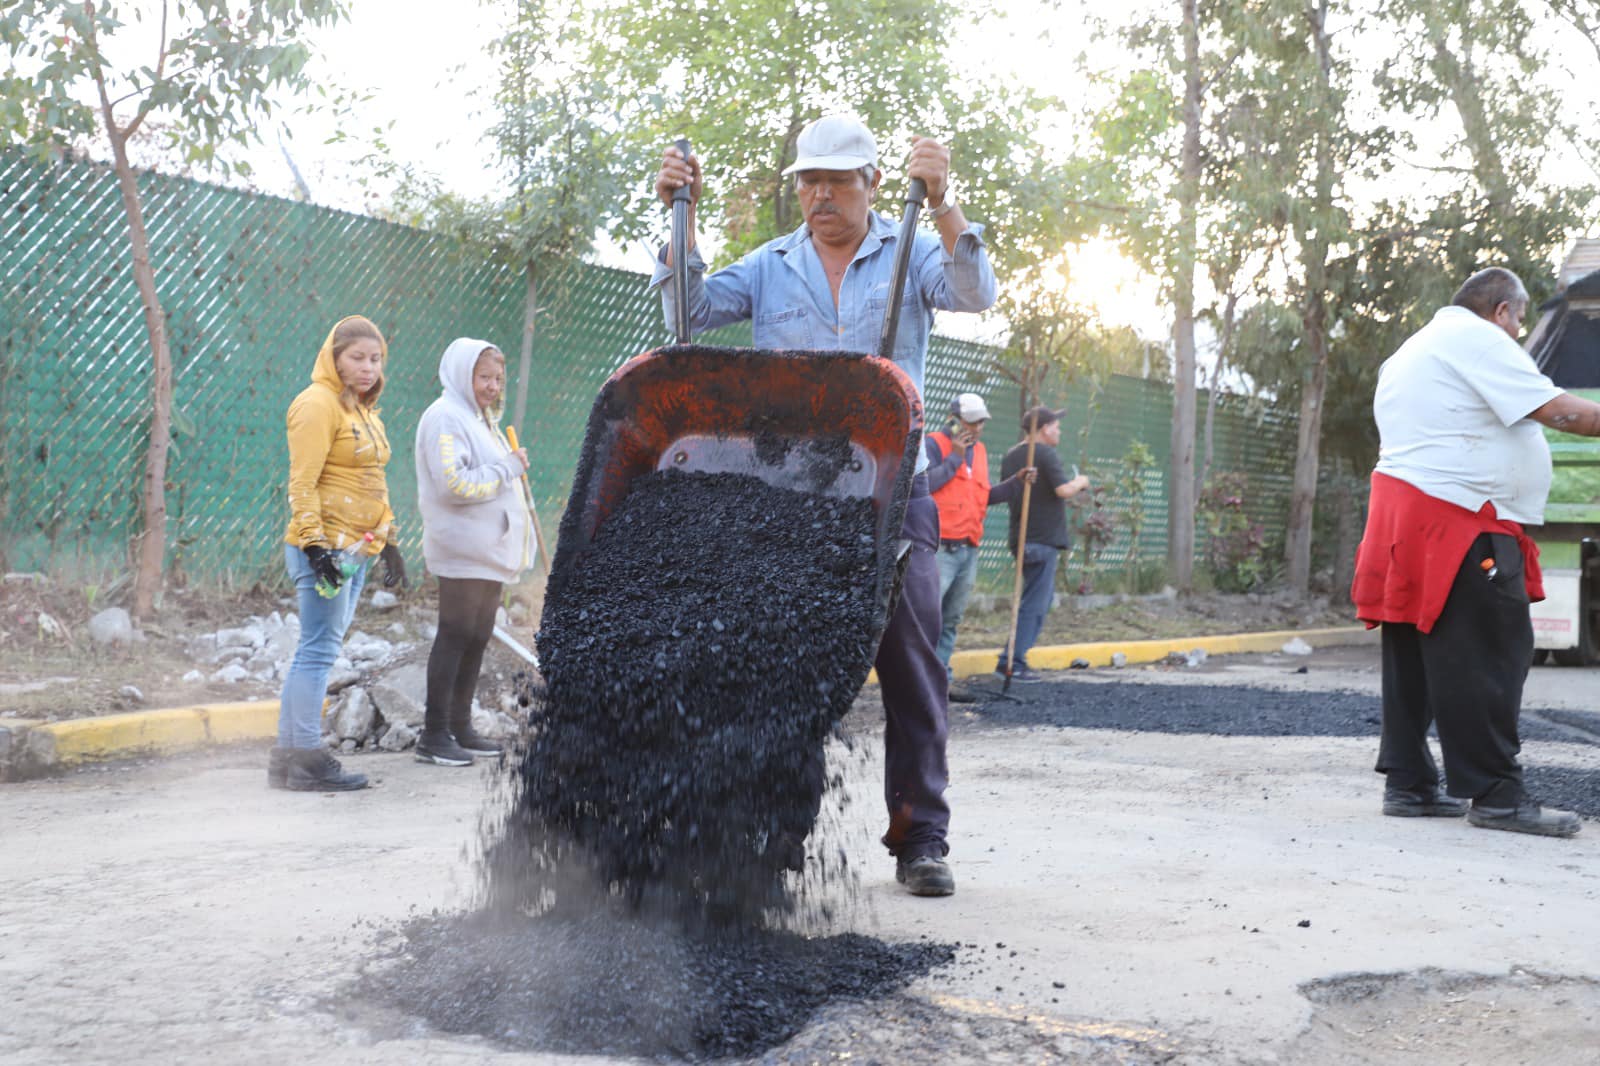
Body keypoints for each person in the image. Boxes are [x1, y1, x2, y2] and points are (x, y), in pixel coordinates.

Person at [652, 113, 998, 896]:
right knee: (783, 668)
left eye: (836, 182)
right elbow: (689, 312)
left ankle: (922, 841)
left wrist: (943, 203)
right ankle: (775, 842)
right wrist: (682, 218)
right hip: (792, 497)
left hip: (892, 491)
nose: (819, 196)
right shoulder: (771, 266)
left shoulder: (908, 253)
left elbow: (975, 291)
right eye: (808, 182)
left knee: (911, 663)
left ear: (872, 184)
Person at [1352, 266, 1600, 838]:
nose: (1516, 337)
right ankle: (1497, 796)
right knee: (1490, 653)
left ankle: (1410, 785)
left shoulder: (1411, 350)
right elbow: (1560, 411)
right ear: (1503, 311)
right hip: (1459, 519)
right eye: (1516, 323)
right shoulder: (1479, 339)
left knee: (1415, 656)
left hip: (1407, 519)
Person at [270, 315, 404, 792]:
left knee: (316, 649)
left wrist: (389, 542)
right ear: (334, 358)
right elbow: (302, 482)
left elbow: (371, 480)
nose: (368, 368)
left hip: (357, 549)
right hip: (325, 548)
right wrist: (314, 544)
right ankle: (306, 756)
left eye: (375, 359)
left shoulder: (363, 409)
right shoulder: (316, 404)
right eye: (357, 358)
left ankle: (287, 759)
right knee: (319, 651)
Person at [413, 338, 534, 767]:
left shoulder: (480, 419)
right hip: (462, 549)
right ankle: (433, 734)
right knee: (455, 634)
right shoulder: (446, 418)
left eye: (498, 378)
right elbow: (456, 485)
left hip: (487, 552)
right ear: (462, 374)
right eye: (484, 377)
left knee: (477, 636)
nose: (492, 386)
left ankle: (460, 726)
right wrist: (508, 468)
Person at [925, 392, 1033, 677]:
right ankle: (919, 680)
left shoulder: (981, 452)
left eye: (980, 423)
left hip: (968, 548)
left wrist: (1015, 483)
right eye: (971, 423)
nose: (976, 428)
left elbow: (983, 496)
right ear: (954, 420)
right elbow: (925, 485)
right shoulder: (933, 444)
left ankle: (940, 676)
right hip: (939, 548)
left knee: (951, 619)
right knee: (928, 619)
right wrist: (954, 458)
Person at [996, 406, 1091, 682]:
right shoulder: (1045, 453)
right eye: (1056, 426)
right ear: (1044, 428)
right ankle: (1012, 661)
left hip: (1021, 538)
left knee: (1031, 600)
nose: (1059, 431)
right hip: (1042, 540)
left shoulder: (1012, 456)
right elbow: (1063, 490)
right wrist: (1080, 482)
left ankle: (1012, 658)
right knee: (1035, 604)